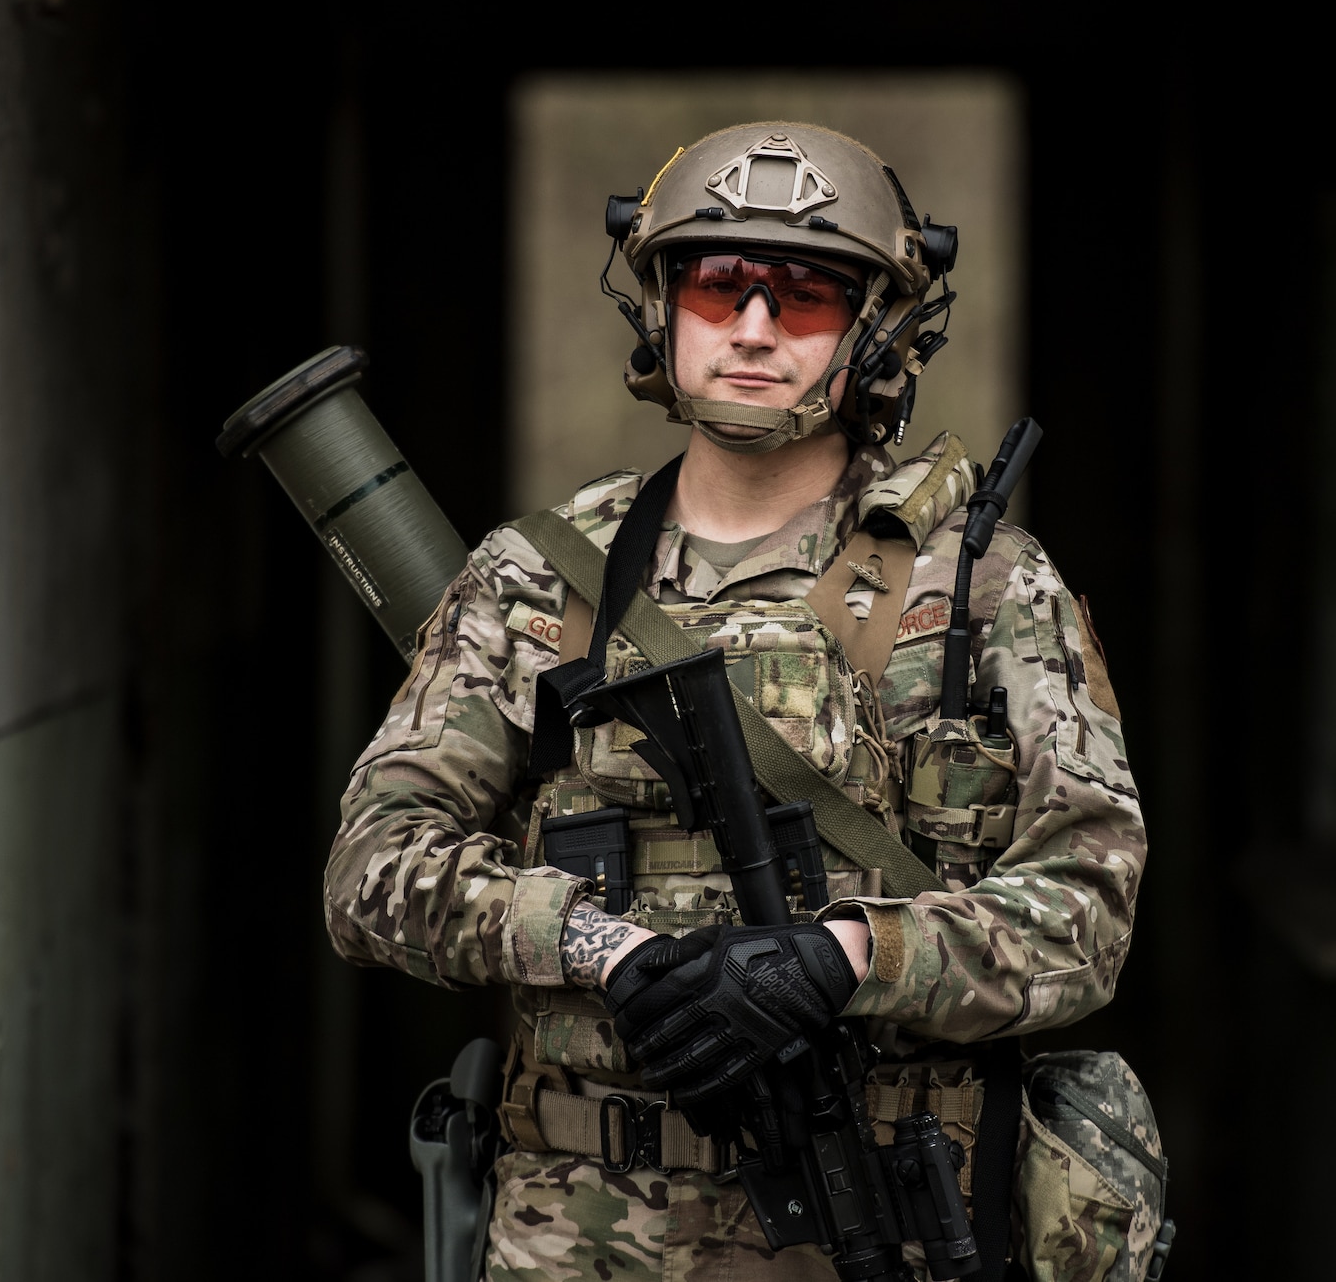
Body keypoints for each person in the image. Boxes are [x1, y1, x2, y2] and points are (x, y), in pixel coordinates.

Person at [324, 122, 1150, 1281]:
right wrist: (596, 944)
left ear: (874, 332)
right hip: (580, 1237)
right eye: (719, 284)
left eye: (804, 294)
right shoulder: (533, 577)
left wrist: (853, 957)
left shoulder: (986, 589)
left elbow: (1088, 910)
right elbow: (370, 871)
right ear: (660, 308)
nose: (753, 326)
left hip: (890, 1224)